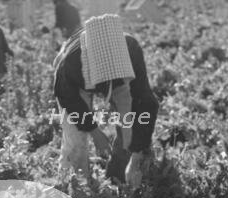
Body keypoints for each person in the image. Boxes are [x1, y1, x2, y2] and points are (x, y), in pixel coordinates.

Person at [53, 14, 159, 188]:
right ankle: (74, 184)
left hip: (119, 78)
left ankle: (122, 172)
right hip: (76, 83)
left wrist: (136, 157)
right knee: (76, 138)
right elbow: (70, 101)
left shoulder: (130, 51)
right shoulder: (71, 65)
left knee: (132, 123)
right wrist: (95, 132)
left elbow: (146, 103)